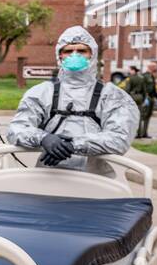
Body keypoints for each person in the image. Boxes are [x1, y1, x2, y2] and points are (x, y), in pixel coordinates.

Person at [8, 25, 139, 176]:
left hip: (97, 181)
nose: (75, 55)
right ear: (60, 56)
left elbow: (119, 138)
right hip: (48, 177)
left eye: (82, 51)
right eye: (68, 51)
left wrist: (73, 145)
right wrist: (44, 138)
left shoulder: (113, 96)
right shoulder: (41, 93)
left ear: (92, 55)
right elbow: (16, 128)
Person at [124, 65, 156, 138]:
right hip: (140, 97)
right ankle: (139, 133)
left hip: (132, 97)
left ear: (133, 70)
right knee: (139, 116)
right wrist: (144, 98)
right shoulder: (141, 78)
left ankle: (132, 133)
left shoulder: (130, 79)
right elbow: (144, 90)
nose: (129, 71)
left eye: (130, 70)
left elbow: (127, 90)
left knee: (132, 116)